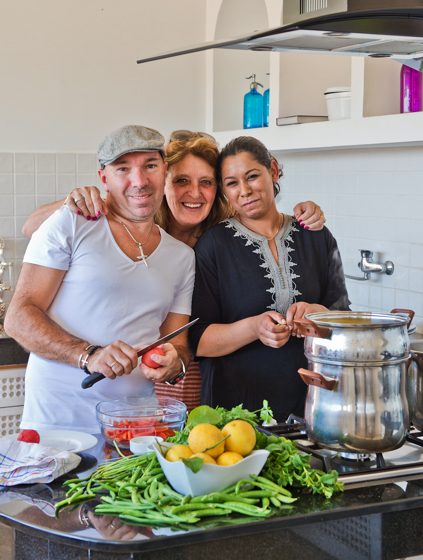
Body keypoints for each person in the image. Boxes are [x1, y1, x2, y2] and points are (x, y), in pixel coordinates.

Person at [22, 131, 326, 413]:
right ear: (164, 180)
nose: (195, 193)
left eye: (206, 182)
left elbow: (264, 210)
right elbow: (32, 227)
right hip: (133, 378)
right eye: (182, 180)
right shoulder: (136, 221)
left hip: (196, 370)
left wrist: (306, 210)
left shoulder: (221, 234)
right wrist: (79, 201)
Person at [5, 125, 195, 433]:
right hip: (57, 428)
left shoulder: (182, 257)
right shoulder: (71, 224)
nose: (139, 181)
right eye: (123, 168)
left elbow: (177, 341)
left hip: (137, 430)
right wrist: (87, 355)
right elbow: (18, 318)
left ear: (165, 171)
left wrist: (177, 362)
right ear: (103, 178)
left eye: (150, 165)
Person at [188, 136, 350, 420]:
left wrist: (318, 314)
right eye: (232, 183)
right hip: (236, 412)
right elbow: (197, 339)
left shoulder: (317, 236)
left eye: (252, 176)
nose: (245, 191)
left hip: (312, 404)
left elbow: (346, 320)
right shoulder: (212, 246)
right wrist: (254, 328)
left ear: (273, 171)